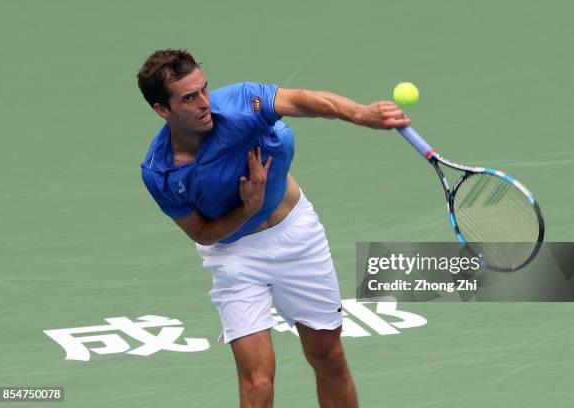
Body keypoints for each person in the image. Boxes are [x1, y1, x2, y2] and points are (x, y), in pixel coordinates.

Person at [138, 49, 410, 408]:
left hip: (296, 237)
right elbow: (201, 233)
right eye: (189, 98)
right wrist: (247, 209)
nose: (205, 103)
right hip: (234, 256)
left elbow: (299, 100)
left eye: (204, 89)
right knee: (258, 383)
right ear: (162, 110)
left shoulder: (238, 103)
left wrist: (359, 113)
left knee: (328, 355)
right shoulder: (162, 174)